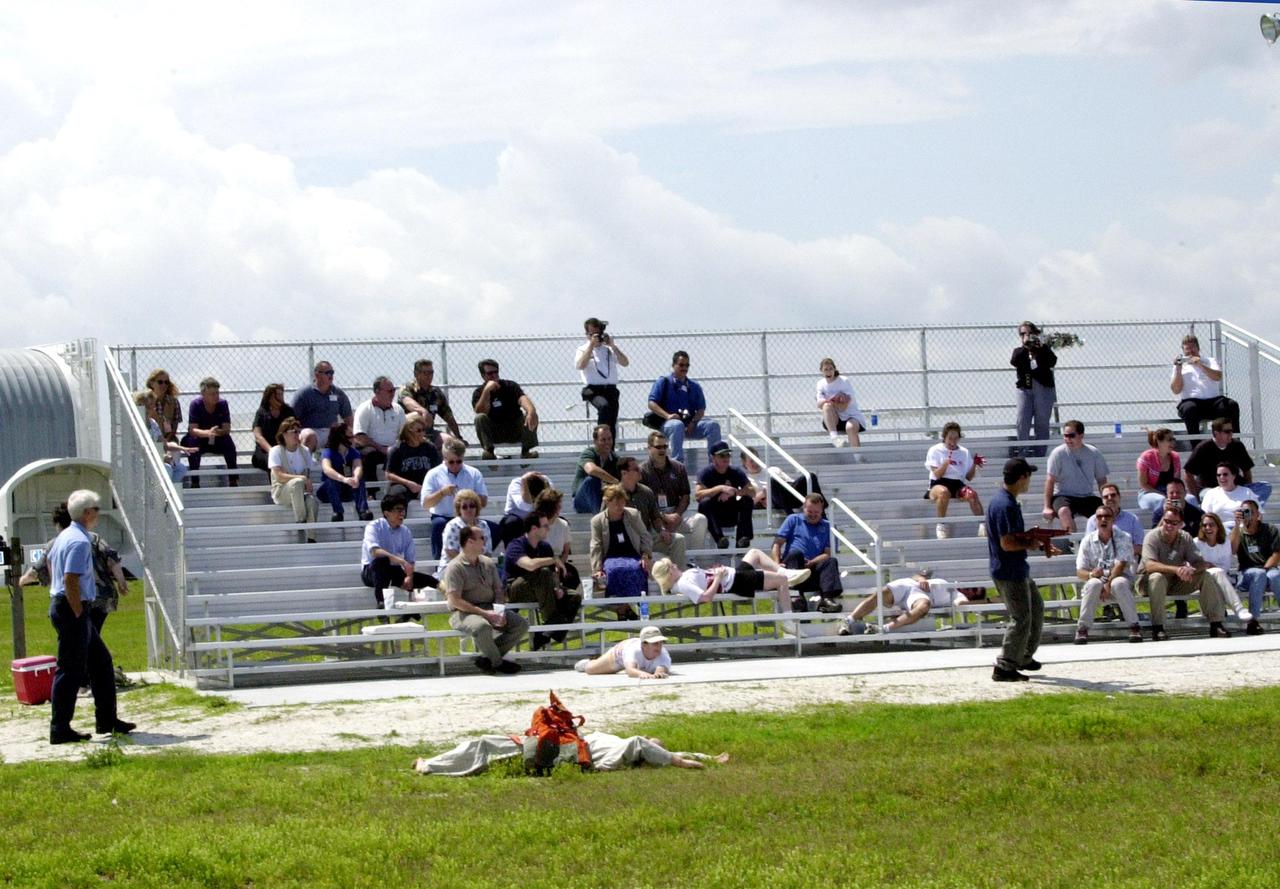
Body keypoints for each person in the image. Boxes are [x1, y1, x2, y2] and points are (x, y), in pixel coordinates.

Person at [45, 490, 135, 744]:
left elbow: (51, 563)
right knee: (70, 670)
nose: (98, 512)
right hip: (72, 607)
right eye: (95, 508)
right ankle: (59, 728)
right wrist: (77, 612)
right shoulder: (80, 541)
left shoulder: (65, 536)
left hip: (68, 605)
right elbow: (70, 579)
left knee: (101, 663)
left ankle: (107, 719)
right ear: (87, 513)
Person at [23, 502, 132, 690]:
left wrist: (22, 580)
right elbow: (112, 559)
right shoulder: (94, 538)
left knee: (83, 643)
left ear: (58, 523)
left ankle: (84, 681)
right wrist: (121, 581)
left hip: (78, 601)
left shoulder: (57, 543)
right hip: (103, 597)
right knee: (92, 640)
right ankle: (94, 683)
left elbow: (38, 570)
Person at [988, 457, 1060, 682]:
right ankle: (1005, 666)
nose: (1030, 480)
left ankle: (1023, 656)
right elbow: (1007, 543)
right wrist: (1031, 543)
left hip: (1016, 568)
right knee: (1020, 618)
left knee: (1036, 609)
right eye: (1028, 475)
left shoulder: (1006, 501)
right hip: (1010, 571)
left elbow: (1013, 538)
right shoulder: (1005, 505)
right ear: (1021, 478)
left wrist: (1035, 540)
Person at [413, 731, 728, 775]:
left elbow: (642, 744)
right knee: (485, 747)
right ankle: (434, 764)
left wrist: (679, 761)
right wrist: (709, 757)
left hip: (564, 750)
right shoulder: (623, 745)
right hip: (564, 742)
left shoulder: (628, 747)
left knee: (486, 749)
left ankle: (433, 767)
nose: (650, 739)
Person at [442, 525, 528, 674]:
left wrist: (499, 611)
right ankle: (498, 663)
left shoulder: (487, 563)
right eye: (482, 538)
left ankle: (487, 659)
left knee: (521, 624)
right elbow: (455, 601)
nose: (486, 541)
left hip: (490, 607)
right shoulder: (455, 567)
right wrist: (486, 614)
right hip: (464, 612)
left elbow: (498, 590)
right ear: (470, 542)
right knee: (482, 627)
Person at [1136, 508, 1229, 640]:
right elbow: (1150, 566)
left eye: (1174, 523)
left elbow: (1200, 563)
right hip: (1149, 582)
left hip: (1175, 582)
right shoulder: (1152, 537)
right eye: (1166, 521)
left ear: (1181, 524)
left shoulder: (1185, 537)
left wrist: (1191, 570)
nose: (1169, 525)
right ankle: (1158, 628)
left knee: (1205, 576)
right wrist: (1176, 569)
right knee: (1157, 577)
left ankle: (1216, 623)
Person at [505, 513, 582, 650]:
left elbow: (553, 574)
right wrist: (553, 559)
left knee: (574, 596)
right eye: (545, 526)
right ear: (534, 528)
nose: (549, 529)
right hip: (516, 590)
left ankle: (544, 635)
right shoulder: (516, 546)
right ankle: (550, 624)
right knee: (542, 573)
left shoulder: (545, 547)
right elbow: (529, 565)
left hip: (543, 588)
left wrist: (558, 588)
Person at [650, 550, 805, 618]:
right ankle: (788, 618)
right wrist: (717, 577)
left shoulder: (683, 579)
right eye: (673, 565)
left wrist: (713, 572)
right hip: (736, 582)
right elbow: (704, 598)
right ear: (670, 572)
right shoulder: (683, 583)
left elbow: (704, 581)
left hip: (734, 576)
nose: (676, 565)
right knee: (782, 581)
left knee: (755, 553)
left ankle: (787, 572)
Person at [1072, 506, 1142, 645]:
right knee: (1093, 583)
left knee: (1119, 582)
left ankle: (1134, 627)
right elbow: (1080, 571)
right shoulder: (1087, 541)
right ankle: (1082, 629)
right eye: (1099, 517)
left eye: (1107, 517)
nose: (1103, 519)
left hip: (1118, 581)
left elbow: (1120, 565)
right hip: (1097, 584)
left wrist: (1107, 583)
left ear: (1113, 519)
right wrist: (1092, 574)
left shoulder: (1124, 537)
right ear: (1095, 520)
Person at [361, 493, 437, 609]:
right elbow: (375, 552)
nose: (402, 513)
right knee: (382, 561)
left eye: (403, 510)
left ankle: (449, 595)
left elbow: (410, 560)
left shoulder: (405, 532)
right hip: (371, 571)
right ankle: (381, 603)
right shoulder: (373, 527)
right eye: (398, 510)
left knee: (428, 580)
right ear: (386, 513)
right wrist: (400, 561)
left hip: (393, 570)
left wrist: (409, 576)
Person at [589, 484, 653, 621]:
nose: (620, 507)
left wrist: (645, 555)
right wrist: (597, 569)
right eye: (616, 503)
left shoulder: (633, 515)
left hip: (632, 554)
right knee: (613, 570)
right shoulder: (597, 521)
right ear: (607, 502)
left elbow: (645, 535)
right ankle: (624, 608)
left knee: (636, 568)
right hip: (611, 557)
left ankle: (625, 609)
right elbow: (596, 545)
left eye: (622, 502)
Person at [645, 351, 721, 464]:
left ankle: (715, 464)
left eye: (687, 365)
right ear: (673, 365)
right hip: (669, 424)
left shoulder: (694, 386)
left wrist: (694, 422)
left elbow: (701, 409)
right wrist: (668, 416)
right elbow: (651, 404)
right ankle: (678, 465)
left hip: (690, 424)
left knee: (713, 425)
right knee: (677, 425)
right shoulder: (663, 382)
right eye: (681, 365)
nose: (684, 368)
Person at [772, 493, 843, 613]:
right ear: (804, 508)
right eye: (810, 511)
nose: (813, 515)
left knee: (831, 561)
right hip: (793, 566)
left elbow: (827, 553)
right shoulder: (793, 519)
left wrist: (812, 562)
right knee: (796, 554)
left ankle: (827, 600)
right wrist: (776, 564)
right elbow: (777, 544)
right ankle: (796, 597)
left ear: (822, 511)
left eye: (817, 512)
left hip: (813, 569)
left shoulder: (828, 526)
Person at [640, 430, 709, 548]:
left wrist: (677, 515)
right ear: (649, 448)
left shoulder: (678, 467)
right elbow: (643, 502)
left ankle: (693, 559)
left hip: (676, 512)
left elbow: (685, 496)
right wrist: (663, 516)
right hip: (654, 517)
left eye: (665, 446)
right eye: (658, 447)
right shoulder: (642, 471)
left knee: (700, 520)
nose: (662, 450)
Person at [422, 439, 489, 559]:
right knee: (438, 525)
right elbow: (426, 504)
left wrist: (470, 496)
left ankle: (480, 560)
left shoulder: (474, 473)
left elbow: (483, 502)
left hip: (468, 516)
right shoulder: (433, 474)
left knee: (495, 528)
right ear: (444, 458)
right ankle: (438, 564)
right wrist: (442, 492)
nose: (455, 465)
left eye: (459, 462)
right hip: (443, 517)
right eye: (451, 462)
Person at [618, 456, 688, 570]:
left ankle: (678, 581)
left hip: (646, 539)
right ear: (624, 473)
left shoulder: (646, 492)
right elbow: (604, 520)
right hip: (625, 541)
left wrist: (662, 530)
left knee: (678, 540)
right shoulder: (614, 495)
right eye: (636, 469)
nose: (640, 470)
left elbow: (655, 517)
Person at [838, 570, 962, 634]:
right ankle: (848, 621)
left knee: (924, 606)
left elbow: (962, 605)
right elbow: (916, 575)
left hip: (921, 596)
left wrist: (978, 600)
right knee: (881, 593)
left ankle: (883, 628)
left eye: (975, 591)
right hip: (910, 583)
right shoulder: (945, 580)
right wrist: (921, 579)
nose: (973, 590)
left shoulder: (959, 595)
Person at [1183, 418, 1270, 503]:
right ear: (1216, 433)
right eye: (1227, 431)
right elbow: (1188, 474)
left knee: (1265, 486)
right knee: (1208, 495)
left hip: (1235, 487)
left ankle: (1250, 508)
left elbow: (1246, 470)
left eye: (1232, 431)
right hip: (1211, 489)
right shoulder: (1203, 448)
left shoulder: (1237, 446)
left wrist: (1247, 492)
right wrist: (1196, 496)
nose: (1231, 434)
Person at [1042, 420, 1108, 532]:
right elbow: (1050, 480)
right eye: (1065, 436)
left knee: (1104, 512)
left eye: (1071, 436)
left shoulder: (1094, 453)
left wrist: (1106, 500)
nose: (1068, 439)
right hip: (1063, 495)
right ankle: (1074, 542)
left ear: (1081, 436)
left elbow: (1102, 480)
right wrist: (1047, 507)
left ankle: (1100, 540)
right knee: (1063, 511)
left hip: (1087, 496)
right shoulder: (1058, 453)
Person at [1171, 333, 1239, 437]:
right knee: (1189, 409)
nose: (1190, 351)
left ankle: (1234, 443)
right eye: (1187, 349)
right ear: (1183, 351)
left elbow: (1218, 376)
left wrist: (1200, 365)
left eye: (1193, 348)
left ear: (1198, 348)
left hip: (1213, 401)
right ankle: (1196, 446)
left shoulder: (1210, 361)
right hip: (1192, 402)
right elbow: (1176, 390)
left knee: (1231, 405)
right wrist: (1178, 370)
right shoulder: (1179, 367)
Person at [925, 421, 984, 540]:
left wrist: (974, 465)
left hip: (957, 484)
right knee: (943, 492)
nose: (952, 442)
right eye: (950, 438)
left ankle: (983, 525)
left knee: (972, 494)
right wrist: (945, 464)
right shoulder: (935, 450)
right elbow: (936, 474)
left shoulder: (964, 452)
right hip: (938, 484)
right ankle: (941, 525)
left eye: (956, 438)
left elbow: (969, 477)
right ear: (944, 437)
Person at [471, 358, 539, 460]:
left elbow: (523, 399)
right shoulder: (479, 392)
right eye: (490, 373)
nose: (494, 375)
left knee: (532, 414)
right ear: (483, 376)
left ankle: (526, 453)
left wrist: (531, 411)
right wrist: (486, 392)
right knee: (479, 418)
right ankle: (489, 453)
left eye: (496, 372)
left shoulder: (510, 386)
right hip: (494, 432)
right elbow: (481, 411)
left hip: (514, 429)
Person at [575, 317, 630, 440]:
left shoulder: (609, 350)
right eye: (592, 334)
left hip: (610, 389)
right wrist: (591, 346)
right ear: (587, 334)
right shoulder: (582, 349)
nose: (596, 337)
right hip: (594, 390)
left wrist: (613, 346)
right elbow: (580, 365)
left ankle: (610, 449)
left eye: (598, 334)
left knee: (612, 419)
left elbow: (625, 362)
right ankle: (600, 440)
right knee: (604, 407)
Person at [180, 376, 239, 488]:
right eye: (212, 394)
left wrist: (217, 432)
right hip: (200, 438)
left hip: (217, 437)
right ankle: (195, 482)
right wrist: (208, 433)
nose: (216, 396)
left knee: (228, 443)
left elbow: (227, 428)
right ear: (203, 394)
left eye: (217, 393)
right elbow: (193, 429)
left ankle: (233, 479)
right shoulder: (196, 404)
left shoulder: (223, 404)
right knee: (192, 443)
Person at [1195, 512, 1252, 625]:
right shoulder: (1196, 542)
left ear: (1218, 526)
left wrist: (1210, 565)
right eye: (1204, 525)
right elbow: (1195, 565)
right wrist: (1209, 567)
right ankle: (1238, 609)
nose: (1208, 528)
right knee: (1217, 573)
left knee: (1218, 575)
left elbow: (1224, 567)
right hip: (1201, 579)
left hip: (1221, 578)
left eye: (1211, 525)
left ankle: (1218, 621)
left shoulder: (1225, 543)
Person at [695, 441, 755, 549]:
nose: (726, 458)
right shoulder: (706, 472)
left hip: (732, 512)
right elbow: (698, 495)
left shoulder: (736, 471)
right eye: (722, 455)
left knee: (747, 500)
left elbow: (752, 491)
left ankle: (742, 540)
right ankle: (720, 540)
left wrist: (734, 491)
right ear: (713, 458)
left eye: (728, 455)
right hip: (714, 516)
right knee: (705, 503)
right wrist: (720, 488)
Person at [267, 417, 319, 541]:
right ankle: (300, 520)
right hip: (282, 491)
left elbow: (311, 468)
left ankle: (311, 538)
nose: (297, 434)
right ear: (284, 434)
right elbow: (279, 475)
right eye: (293, 432)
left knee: (312, 502)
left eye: (298, 431)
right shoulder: (276, 451)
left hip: (301, 493)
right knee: (297, 482)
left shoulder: (304, 451)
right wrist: (301, 478)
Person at [1231, 499, 1277, 636]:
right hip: (1247, 573)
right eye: (1244, 511)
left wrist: (1266, 569)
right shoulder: (1238, 532)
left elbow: (1277, 554)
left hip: (1268, 569)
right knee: (1258, 574)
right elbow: (1232, 549)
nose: (1247, 514)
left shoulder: (1270, 530)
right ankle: (1253, 621)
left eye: (1250, 511)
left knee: (1275, 576)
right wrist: (1236, 524)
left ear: (1258, 514)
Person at [1011, 321, 1057, 456]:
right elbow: (1014, 361)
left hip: (1043, 388)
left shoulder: (1044, 349)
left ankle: (1040, 453)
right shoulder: (1019, 351)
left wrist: (1039, 348)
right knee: (1022, 420)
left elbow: (1052, 361)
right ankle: (1022, 452)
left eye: (1029, 333)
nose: (1026, 336)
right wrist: (1026, 346)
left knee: (1042, 421)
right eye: (1023, 334)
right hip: (1025, 389)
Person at [398, 358, 464, 449]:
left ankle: (441, 463)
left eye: (431, 372)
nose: (429, 376)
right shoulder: (407, 388)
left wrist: (458, 437)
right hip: (409, 433)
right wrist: (423, 411)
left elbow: (449, 417)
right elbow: (407, 401)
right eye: (425, 373)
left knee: (450, 444)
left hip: (428, 432)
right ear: (416, 374)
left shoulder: (436, 393)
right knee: (416, 414)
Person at [353, 375, 406, 485]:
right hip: (374, 449)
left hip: (394, 449)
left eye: (394, 390)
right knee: (368, 454)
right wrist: (380, 448)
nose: (393, 393)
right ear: (377, 392)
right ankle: (372, 493)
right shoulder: (364, 409)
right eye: (389, 391)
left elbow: (405, 434)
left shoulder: (398, 410)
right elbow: (359, 437)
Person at [291, 360, 353, 453]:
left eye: (332, 372)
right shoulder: (304, 393)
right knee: (309, 435)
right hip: (311, 431)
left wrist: (349, 432)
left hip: (332, 432)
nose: (331, 376)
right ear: (317, 375)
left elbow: (348, 418)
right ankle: (305, 466)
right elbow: (292, 419)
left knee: (350, 437)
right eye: (328, 373)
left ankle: (343, 465)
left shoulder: (338, 393)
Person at [317, 421, 373, 522]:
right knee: (331, 481)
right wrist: (343, 479)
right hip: (328, 492)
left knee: (360, 479)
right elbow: (327, 469)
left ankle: (363, 510)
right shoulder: (328, 452)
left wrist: (355, 477)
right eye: (351, 437)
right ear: (341, 437)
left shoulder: (353, 452)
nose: (354, 440)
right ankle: (338, 512)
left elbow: (358, 466)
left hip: (345, 490)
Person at [533, 488, 582, 597]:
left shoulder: (564, 525)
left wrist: (561, 565)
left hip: (559, 562)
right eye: (558, 505)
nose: (560, 508)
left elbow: (566, 551)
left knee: (571, 575)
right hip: (539, 563)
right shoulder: (534, 524)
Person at [740, 450, 822, 516]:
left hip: (790, 495)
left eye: (756, 459)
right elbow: (748, 502)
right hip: (776, 501)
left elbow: (791, 483)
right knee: (773, 481)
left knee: (810, 476)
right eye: (751, 461)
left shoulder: (773, 469)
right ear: (744, 463)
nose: (755, 463)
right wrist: (763, 493)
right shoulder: (746, 479)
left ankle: (822, 513)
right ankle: (791, 516)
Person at [815, 357, 868, 453]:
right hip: (834, 420)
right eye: (825, 369)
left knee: (850, 427)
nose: (828, 372)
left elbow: (844, 407)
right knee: (826, 406)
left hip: (850, 416)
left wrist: (834, 400)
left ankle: (859, 458)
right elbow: (819, 404)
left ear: (834, 369)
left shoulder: (844, 381)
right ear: (821, 371)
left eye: (830, 369)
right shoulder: (820, 384)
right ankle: (834, 438)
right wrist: (833, 399)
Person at [575, 625, 671, 678]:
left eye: (660, 642)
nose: (659, 646)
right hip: (619, 655)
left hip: (631, 657)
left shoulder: (663, 654)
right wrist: (640, 674)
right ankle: (587, 663)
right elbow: (630, 670)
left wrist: (658, 674)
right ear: (644, 644)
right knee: (591, 670)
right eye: (654, 643)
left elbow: (662, 669)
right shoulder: (634, 650)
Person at [384, 417, 442, 505]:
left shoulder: (430, 448)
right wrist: (409, 484)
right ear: (408, 432)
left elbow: (438, 469)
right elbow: (389, 474)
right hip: (404, 486)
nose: (422, 433)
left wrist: (426, 485)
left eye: (423, 430)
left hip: (424, 485)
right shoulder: (397, 449)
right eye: (419, 430)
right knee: (396, 494)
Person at [437, 490, 495, 575]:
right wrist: (471, 567)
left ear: (477, 507)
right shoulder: (452, 526)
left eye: (472, 506)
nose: (469, 509)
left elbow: (487, 553)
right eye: (464, 507)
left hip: (479, 568)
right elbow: (451, 552)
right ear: (459, 509)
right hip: (453, 568)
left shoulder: (484, 526)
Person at [572, 424, 620, 514]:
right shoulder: (589, 453)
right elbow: (591, 470)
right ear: (595, 441)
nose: (607, 443)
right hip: (582, 500)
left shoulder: (615, 459)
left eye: (609, 439)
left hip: (602, 498)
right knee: (592, 480)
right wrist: (614, 481)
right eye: (603, 440)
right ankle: (601, 517)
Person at [250, 383, 295, 477]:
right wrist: (271, 450)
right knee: (273, 461)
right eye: (277, 394)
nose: (280, 397)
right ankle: (277, 489)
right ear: (269, 397)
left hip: (284, 448)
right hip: (264, 451)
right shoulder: (262, 412)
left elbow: (295, 429)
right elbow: (258, 436)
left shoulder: (288, 411)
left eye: (281, 394)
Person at [1198, 463, 1259, 531]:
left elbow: (1257, 515)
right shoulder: (1211, 494)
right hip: (1219, 532)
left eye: (1225, 474)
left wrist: (1244, 517)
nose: (1221, 477)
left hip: (1242, 530)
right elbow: (1205, 517)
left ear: (1234, 475)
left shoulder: (1247, 492)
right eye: (1219, 475)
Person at [1135, 428, 1182, 514]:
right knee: (1162, 500)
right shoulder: (1147, 457)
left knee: (1190, 499)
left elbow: (1176, 482)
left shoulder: (1175, 457)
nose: (1173, 442)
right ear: (1159, 442)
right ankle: (1161, 523)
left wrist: (1174, 496)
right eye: (1169, 439)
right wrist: (1162, 494)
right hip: (1148, 494)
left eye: (1173, 439)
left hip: (1170, 494)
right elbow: (1143, 484)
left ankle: (1183, 525)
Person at [498, 470, 550, 546]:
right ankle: (515, 553)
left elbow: (551, 502)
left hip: (537, 516)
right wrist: (524, 481)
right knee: (512, 523)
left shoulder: (546, 482)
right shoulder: (516, 484)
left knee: (561, 521)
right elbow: (525, 506)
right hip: (517, 518)